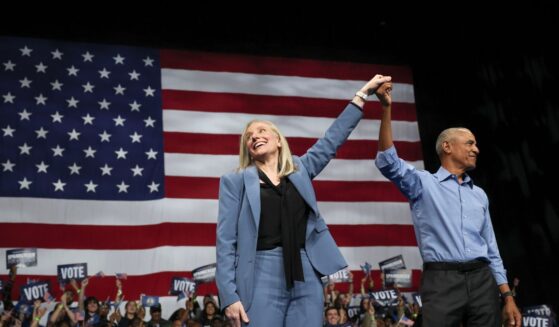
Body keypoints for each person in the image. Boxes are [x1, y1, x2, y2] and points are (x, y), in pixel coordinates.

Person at [216, 74, 392, 327]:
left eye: (261, 130)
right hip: (260, 272)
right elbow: (225, 242)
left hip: (306, 270)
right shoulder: (235, 181)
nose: (254, 136)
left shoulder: (301, 168)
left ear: (278, 140)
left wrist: (361, 95)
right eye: (249, 136)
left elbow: (332, 140)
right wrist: (229, 296)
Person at [373, 81, 522, 326]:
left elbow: (492, 250)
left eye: (475, 144)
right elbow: (387, 161)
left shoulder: (480, 195)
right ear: (447, 147)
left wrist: (507, 296)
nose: (476, 149)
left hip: (483, 280)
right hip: (441, 281)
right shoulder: (423, 183)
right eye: (470, 143)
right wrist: (386, 108)